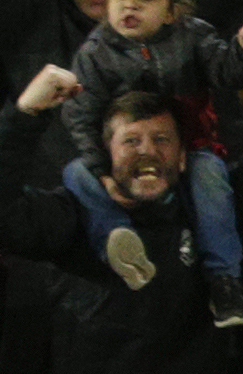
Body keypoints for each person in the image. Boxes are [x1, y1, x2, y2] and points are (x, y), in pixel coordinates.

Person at [0, 66, 239, 374]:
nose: (147, 151)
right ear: (104, 155)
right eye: (131, 141)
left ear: (185, 156)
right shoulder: (72, 219)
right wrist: (25, 113)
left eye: (162, 140)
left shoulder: (216, 226)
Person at [59, 0, 243, 322]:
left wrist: (240, 48)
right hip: (121, 157)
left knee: (210, 175)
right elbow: (80, 116)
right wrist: (103, 172)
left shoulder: (194, 36)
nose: (130, 5)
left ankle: (224, 280)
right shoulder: (94, 53)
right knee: (75, 173)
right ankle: (118, 241)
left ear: (172, 11)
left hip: (187, 145)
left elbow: (226, 72)